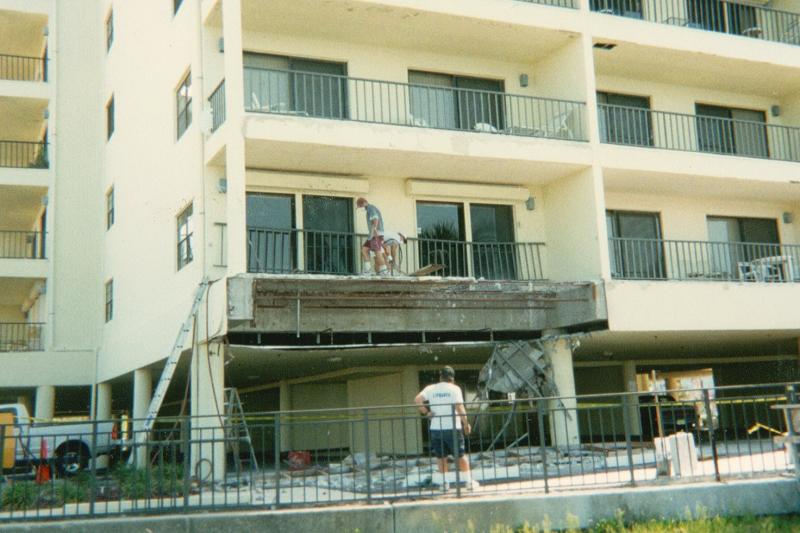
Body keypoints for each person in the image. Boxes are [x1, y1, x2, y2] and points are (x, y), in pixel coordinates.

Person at [415, 366, 479, 491]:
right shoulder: (454, 389)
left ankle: (444, 484)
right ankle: (468, 482)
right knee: (460, 455)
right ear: (452, 378)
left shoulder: (430, 388)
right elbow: (459, 407)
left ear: (440, 377)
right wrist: (466, 423)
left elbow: (417, 399)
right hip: (452, 427)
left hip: (436, 428)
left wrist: (426, 412)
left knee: (441, 457)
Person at [356, 197, 387, 276]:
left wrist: (375, 231)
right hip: (372, 234)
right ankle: (368, 270)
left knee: (377, 251)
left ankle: (384, 271)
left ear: (364, 203)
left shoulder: (370, 208)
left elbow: (375, 219)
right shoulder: (369, 209)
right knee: (364, 250)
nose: (361, 207)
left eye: (360, 205)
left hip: (375, 233)